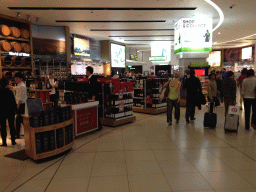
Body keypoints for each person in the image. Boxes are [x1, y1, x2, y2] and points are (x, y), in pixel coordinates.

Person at [8, 72, 27, 138]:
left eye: (17, 78)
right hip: (20, 104)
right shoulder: (20, 85)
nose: (15, 79)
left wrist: (18, 105)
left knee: (20, 120)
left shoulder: (22, 86)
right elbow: (15, 88)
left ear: (20, 79)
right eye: (15, 78)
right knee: (19, 120)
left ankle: (18, 134)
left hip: (21, 105)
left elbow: (21, 97)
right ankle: (18, 133)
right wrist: (10, 87)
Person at [0, 78, 17, 146]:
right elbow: (13, 102)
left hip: (2, 111)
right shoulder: (10, 92)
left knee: (3, 126)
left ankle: (4, 142)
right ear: (6, 84)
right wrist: (15, 110)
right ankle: (13, 141)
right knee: (12, 125)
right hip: (10, 111)